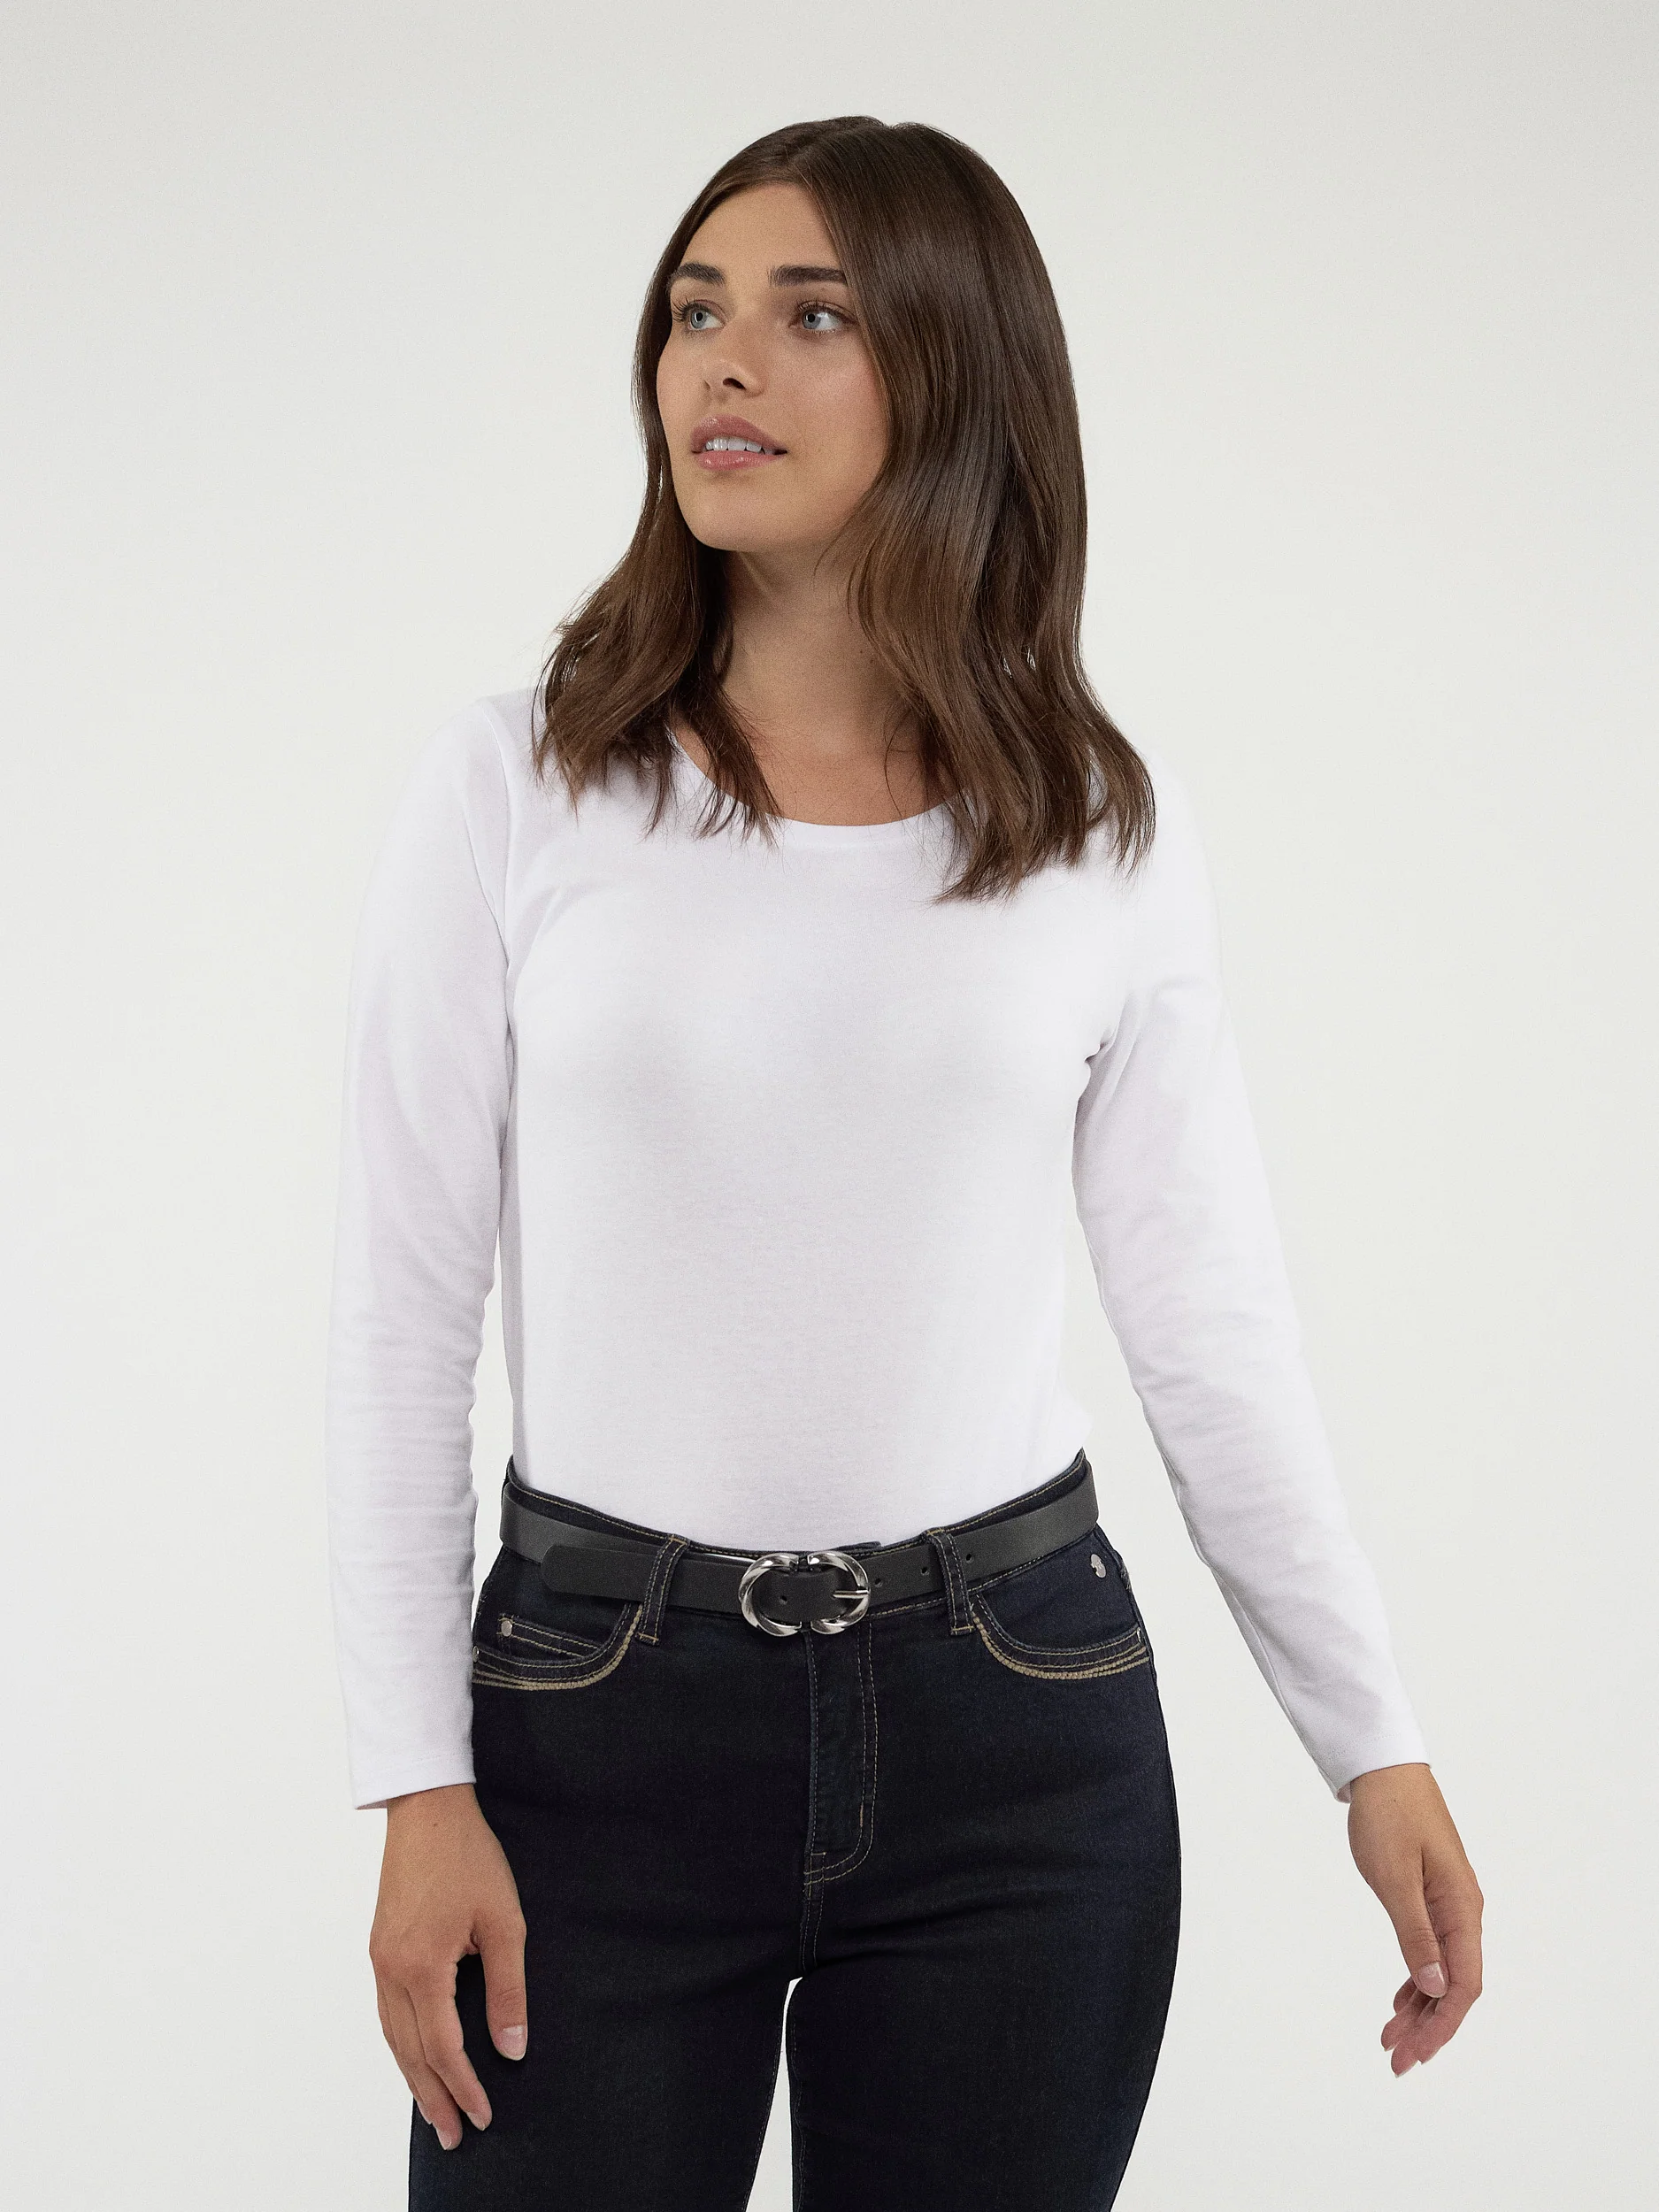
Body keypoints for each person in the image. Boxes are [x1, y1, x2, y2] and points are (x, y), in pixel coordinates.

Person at [324, 115, 1484, 2212]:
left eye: (811, 315)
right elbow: (401, 1315)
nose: (723, 360)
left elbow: (1208, 1323)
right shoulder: (518, 785)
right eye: (695, 309)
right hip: (593, 1726)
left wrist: (1368, 1735)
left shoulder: (1096, 830)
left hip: (1013, 1731)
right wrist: (416, 1777)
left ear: (954, 373)